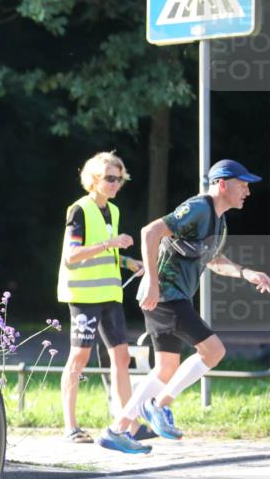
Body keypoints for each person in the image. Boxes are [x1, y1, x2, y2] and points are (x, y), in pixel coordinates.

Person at [103, 159, 270, 452]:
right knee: (214, 351)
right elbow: (150, 232)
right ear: (222, 184)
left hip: (169, 297)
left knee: (165, 368)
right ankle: (159, 405)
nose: (247, 191)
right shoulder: (199, 207)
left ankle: (117, 430)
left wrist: (246, 273)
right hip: (166, 296)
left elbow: (214, 260)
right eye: (242, 185)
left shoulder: (219, 220)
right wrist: (152, 280)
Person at [56, 152, 144, 445]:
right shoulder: (79, 210)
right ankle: (71, 427)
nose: (115, 184)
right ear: (93, 179)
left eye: (119, 179)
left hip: (110, 295)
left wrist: (128, 262)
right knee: (79, 357)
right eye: (110, 178)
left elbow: (108, 253)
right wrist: (110, 243)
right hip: (84, 295)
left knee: (122, 356)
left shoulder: (113, 211)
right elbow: (72, 255)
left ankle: (126, 424)